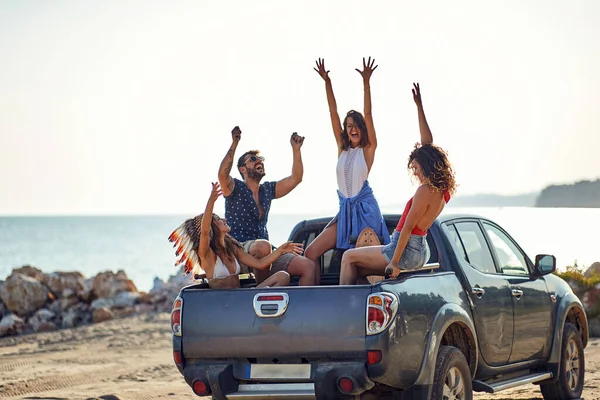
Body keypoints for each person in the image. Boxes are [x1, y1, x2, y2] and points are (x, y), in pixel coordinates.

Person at [339, 83, 457, 285]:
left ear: (427, 166)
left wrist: (394, 262)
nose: (415, 172)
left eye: (417, 168)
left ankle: (341, 310)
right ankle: (356, 301)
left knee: (348, 256)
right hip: (421, 250)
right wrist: (419, 107)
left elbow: (408, 228)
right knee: (358, 267)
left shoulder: (424, 191)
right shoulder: (442, 190)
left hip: (404, 250)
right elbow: (428, 143)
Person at [306, 57, 389, 284]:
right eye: (348, 125)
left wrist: (366, 83)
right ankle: (315, 301)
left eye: (355, 124)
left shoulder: (368, 150)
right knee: (311, 252)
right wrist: (327, 82)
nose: (352, 128)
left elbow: (369, 114)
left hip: (366, 211)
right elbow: (333, 113)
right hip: (345, 211)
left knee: (365, 271)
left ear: (362, 128)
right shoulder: (342, 150)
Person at [216, 126, 317, 286]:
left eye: (261, 159)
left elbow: (296, 178)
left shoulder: (267, 190)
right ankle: (262, 293)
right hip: (238, 249)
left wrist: (296, 149)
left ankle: (302, 308)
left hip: (265, 251)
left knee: (308, 267)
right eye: (253, 159)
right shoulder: (235, 188)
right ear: (243, 169)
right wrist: (234, 144)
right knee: (263, 245)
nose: (259, 161)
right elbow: (222, 174)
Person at [168, 182, 304, 288]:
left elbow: (260, 264)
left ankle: (268, 311)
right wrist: (211, 201)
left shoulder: (231, 248)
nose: (224, 220)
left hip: (242, 298)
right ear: (212, 227)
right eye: (219, 220)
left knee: (283, 276)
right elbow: (204, 232)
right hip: (224, 303)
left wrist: (281, 250)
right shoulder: (207, 255)